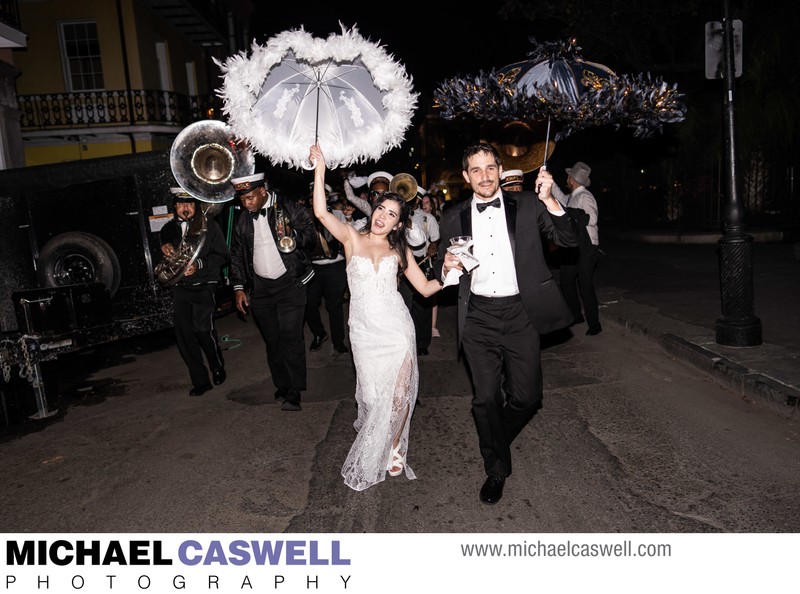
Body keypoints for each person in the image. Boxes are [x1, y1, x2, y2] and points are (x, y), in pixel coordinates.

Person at [436, 143, 578, 505]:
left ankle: (493, 435)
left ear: (500, 169)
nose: (484, 176)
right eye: (475, 170)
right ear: (466, 176)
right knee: (485, 398)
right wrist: (446, 267)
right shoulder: (452, 217)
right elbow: (441, 264)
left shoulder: (528, 205)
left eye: (489, 167)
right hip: (478, 317)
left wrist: (550, 200)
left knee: (528, 397)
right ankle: (496, 468)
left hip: (521, 313)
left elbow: (568, 239)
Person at [309, 143, 443, 491]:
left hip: (396, 328)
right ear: (374, 208)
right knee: (371, 396)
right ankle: (383, 430)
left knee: (399, 396)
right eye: (381, 209)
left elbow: (426, 289)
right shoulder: (352, 237)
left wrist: (451, 274)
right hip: (364, 330)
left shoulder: (398, 250)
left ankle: (395, 446)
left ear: (399, 223)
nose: (383, 216)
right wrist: (320, 168)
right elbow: (323, 214)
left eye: (392, 214)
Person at [229, 172, 316, 411]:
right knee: (273, 340)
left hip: (290, 284)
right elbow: (236, 254)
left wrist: (293, 234)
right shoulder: (243, 218)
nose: (246, 204)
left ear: (262, 192)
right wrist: (238, 287)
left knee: (291, 338)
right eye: (242, 200)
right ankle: (282, 384)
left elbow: (312, 237)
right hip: (260, 289)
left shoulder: (288, 207)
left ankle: (295, 391)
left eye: (249, 198)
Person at [159, 187, 230, 397]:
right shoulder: (167, 229)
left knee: (202, 329)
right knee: (184, 337)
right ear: (175, 207)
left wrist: (198, 264)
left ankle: (217, 366)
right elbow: (167, 259)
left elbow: (223, 256)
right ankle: (201, 380)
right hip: (180, 288)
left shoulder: (209, 227)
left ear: (196, 206)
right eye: (181, 204)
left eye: (189, 204)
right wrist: (164, 250)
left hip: (204, 286)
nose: (185, 208)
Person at [550, 161, 602, 335]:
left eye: (568, 176)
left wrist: (573, 215)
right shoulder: (573, 197)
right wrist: (549, 182)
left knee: (585, 286)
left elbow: (592, 219)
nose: (566, 179)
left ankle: (594, 325)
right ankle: (576, 315)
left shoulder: (585, 197)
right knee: (566, 280)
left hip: (587, 248)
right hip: (576, 246)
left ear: (572, 179)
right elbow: (560, 198)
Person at [305, 181, 350, 354]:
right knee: (309, 304)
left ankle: (338, 341)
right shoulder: (303, 215)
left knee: (335, 305)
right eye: (313, 195)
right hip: (313, 267)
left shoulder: (339, 214)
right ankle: (319, 334)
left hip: (335, 266)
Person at [401, 185, 440, 356]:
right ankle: (405, 341)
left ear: (417, 199)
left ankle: (423, 343)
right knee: (404, 303)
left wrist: (433, 246)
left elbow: (435, 239)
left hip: (421, 261)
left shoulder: (427, 218)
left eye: (413, 198)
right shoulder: (400, 216)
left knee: (422, 306)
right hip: (403, 261)